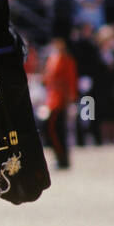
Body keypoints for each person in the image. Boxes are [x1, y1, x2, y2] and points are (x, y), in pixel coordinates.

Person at [42, 34, 77, 169]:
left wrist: (71, 99)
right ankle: (59, 157)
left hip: (61, 100)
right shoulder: (52, 58)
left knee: (56, 130)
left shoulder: (67, 60)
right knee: (52, 129)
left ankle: (62, 158)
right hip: (52, 99)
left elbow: (71, 81)